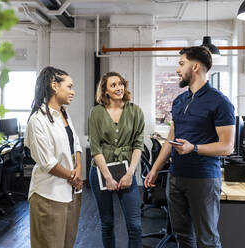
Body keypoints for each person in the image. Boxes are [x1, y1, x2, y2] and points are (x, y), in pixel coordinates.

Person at [145, 46, 235, 248]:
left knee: (207, 240)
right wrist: (155, 169)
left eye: (181, 63)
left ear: (195, 67)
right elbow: (172, 137)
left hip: (203, 179)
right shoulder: (179, 100)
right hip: (176, 177)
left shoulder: (220, 102)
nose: (177, 69)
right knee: (183, 236)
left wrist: (194, 148)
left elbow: (227, 146)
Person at [24, 66, 83, 248]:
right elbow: (47, 162)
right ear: (54, 86)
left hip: (71, 191)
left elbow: (76, 145)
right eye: (70, 87)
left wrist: (78, 169)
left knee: (67, 243)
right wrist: (73, 177)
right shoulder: (38, 119)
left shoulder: (64, 114)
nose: (73, 92)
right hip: (48, 195)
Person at [88, 71, 145, 248]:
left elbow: (138, 145)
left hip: (127, 170)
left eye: (120, 84)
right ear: (104, 90)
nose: (118, 88)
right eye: (113, 85)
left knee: (134, 225)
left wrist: (130, 174)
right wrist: (107, 177)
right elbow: (95, 147)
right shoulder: (96, 113)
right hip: (100, 171)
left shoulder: (135, 111)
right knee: (107, 223)